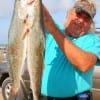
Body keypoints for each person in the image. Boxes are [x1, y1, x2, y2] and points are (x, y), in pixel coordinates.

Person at [40, 0, 100, 100]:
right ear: (69, 13)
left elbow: (84, 64)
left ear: (90, 24)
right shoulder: (52, 30)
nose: (81, 20)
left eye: (86, 19)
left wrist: (54, 31)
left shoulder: (92, 40)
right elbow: (37, 11)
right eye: (78, 14)